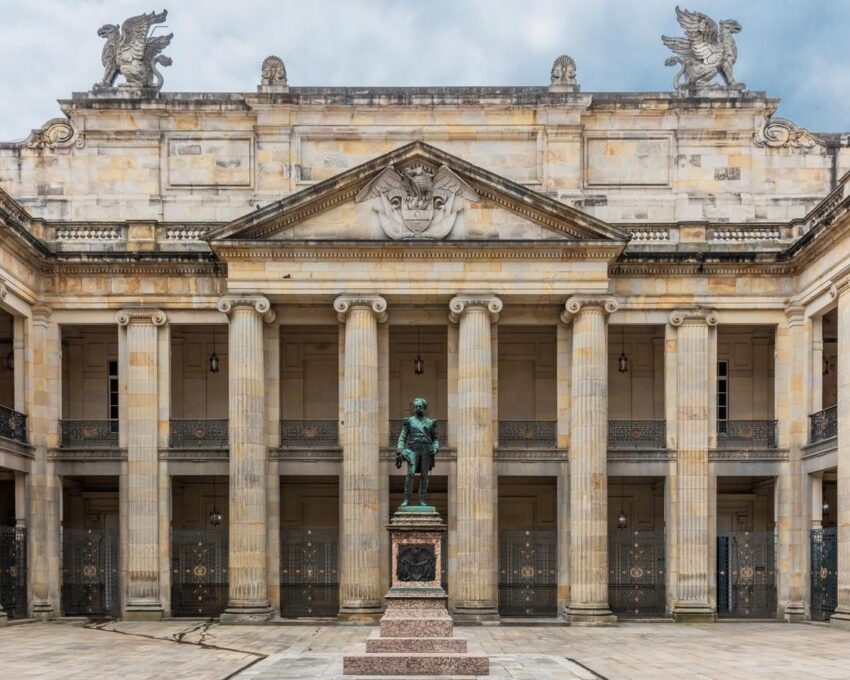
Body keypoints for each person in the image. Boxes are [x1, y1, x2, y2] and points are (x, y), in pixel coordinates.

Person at [395, 397, 439, 507]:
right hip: (413, 449)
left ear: (424, 408)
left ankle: (422, 499)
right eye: (416, 406)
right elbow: (403, 436)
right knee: (410, 473)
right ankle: (406, 499)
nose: (418, 408)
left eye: (420, 406)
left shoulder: (430, 422)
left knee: (424, 475)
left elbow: (435, 438)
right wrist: (400, 449)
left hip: (426, 449)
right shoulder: (409, 421)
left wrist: (435, 447)